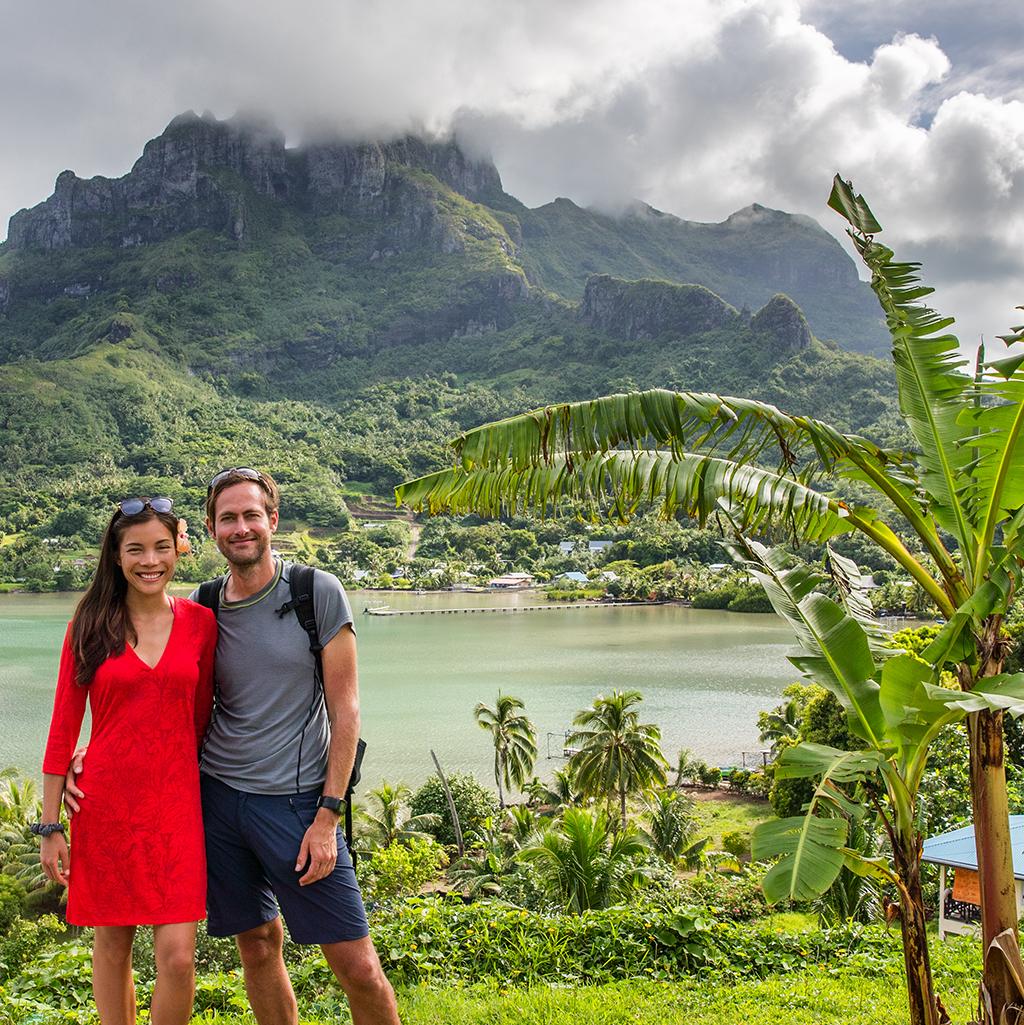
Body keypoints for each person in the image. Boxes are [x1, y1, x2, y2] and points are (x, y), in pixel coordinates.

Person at [69, 468, 401, 1025]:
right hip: (218, 802)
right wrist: (94, 753)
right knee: (257, 944)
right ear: (209, 529)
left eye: (252, 515)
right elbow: (167, 704)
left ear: (273, 520)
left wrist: (328, 814)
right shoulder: (201, 608)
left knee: (356, 963)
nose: (241, 527)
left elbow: (347, 712)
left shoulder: (314, 592)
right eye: (228, 518)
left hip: (297, 805)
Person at [38, 497, 216, 1025]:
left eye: (161, 547)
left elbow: (201, 718)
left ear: (178, 550)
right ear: (116, 556)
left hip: (178, 807)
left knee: (179, 958)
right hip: (106, 805)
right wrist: (51, 825)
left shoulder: (201, 623)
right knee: (112, 947)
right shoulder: (90, 624)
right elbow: (61, 729)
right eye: (134, 549)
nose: (149, 560)